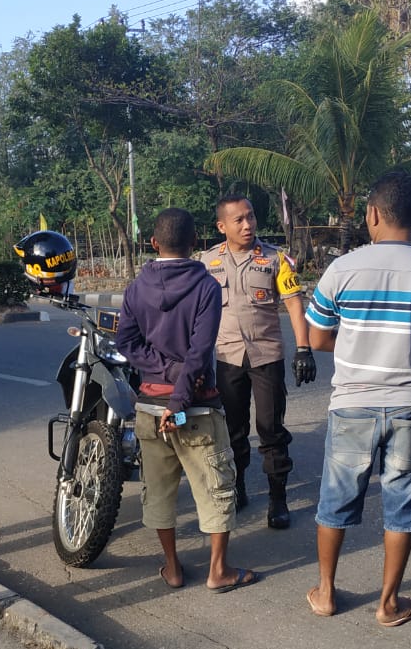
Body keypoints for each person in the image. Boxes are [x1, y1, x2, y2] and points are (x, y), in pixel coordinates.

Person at [304, 169, 411, 625]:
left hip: (351, 405)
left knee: (335, 500)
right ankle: (388, 603)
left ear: (372, 214)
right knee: (404, 502)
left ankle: (326, 592)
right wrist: (410, 344)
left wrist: (361, 342)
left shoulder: (342, 269)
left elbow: (318, 338)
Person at [115, 208, 258, 593]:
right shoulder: (207, 287)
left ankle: (173, 567)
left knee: (159, 492)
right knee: (216, 489)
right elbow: (200, 351)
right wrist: (179, 392)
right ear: (195, 243)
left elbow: (126, 342)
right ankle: (218, 571)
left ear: (153, 243)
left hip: (149, 405)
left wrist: (162, 372)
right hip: (195, 406)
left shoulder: (136, 287)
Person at [204, 195, 316, 530]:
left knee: (270, 428)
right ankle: (237, 489)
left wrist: (304, 349)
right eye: (238, 220)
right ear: (222, 226)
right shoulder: (206, 263)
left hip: (266, 356)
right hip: (227, 357)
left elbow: (295, 305)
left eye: (250, 217)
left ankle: (277, 498)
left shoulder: (276, 259)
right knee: (233, 430)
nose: (248, 225)